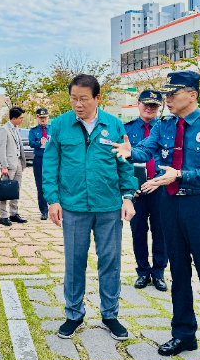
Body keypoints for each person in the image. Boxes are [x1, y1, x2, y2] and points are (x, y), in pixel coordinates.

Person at [113, 70, 200, 360]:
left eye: (173, 93)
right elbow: (146, 149)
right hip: (169, 204)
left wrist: (181, 175)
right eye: (165, 93)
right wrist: (128, 152)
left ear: (192, 95)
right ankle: (183, 334)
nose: (166, 99)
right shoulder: (165, 125)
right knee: (178, 271)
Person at [43, 74, 137, 342]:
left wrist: (127, 197)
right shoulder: (60, 125)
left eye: (84, 99)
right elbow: (50, 165)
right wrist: (52, 200)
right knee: (74, 263)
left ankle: (110, 314)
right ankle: (74, 314)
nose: (78, 104)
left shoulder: (114, 124)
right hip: (73, 206)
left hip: (108, 207)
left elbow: (124, 164)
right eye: (74, 98)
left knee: (110, 261)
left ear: (97, 98)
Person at [123, 90, 168, 292]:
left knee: (161, 232)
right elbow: (122, 161)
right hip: (136, 189)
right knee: (138, 231)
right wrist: (130, 188)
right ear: (138, 104)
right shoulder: (127, 129)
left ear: (159, 108)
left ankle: (159, 273)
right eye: (146, 104)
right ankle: (142, 272)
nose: (149, 108)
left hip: (160, 187)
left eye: (154, 105)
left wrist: (159, 181)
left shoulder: (166, 128)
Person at [0, 107, 28, 226]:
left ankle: (14, 214)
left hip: (18, 163)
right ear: (14, 118)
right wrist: (4, 166)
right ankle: (3, 216)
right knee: (5, 190)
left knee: (16, 190)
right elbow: (2, 149)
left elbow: (20, 147)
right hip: (9, 165)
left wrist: (23, 163)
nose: (22, 120)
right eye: (20, 118)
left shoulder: (16, 129)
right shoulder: (4, 130)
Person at [28, 107, 51, 221]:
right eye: (41, 117)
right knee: (40, 186)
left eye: (45, 117)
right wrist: (39, 142)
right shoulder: (33, 130)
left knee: (54, 183)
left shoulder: (52, 129)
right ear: (37, 117)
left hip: (51, 160)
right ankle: (44, 211)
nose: (43, 119)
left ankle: (56, 208)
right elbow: (31, 143)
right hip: (39, 159)